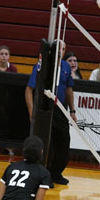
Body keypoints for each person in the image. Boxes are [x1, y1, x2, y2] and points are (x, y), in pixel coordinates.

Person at [25, 40, 76, 186]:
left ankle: (56, 173)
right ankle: (43, 175)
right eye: (58, 48)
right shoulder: (42, 66)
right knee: (47, 145)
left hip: (61, 109)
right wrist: (31, 111)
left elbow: (69, 90)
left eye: (63, 49)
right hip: (44, 108)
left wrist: (72, 110)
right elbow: (29, 90)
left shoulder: (66, 67)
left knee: (63, 143)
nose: (60, 51)